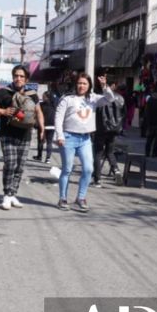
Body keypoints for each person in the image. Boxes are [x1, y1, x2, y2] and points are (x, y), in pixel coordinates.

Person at [0, 65, 44, 210]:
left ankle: (13, 194)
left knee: (20, 167)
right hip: (7, 135)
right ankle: (6, 195)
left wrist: (42, 128)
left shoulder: (32, 94)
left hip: (25, 135)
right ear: (13, 77)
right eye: (16, 76)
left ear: (26, 79)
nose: (18, 78)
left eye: (21, 76)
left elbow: (38, 111)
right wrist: (3, 111)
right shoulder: (4, 92)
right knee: (10, 164)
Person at [55, 73, 113, 212]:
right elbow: (58, 118)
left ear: (89, 85)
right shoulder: (67, 99)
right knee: (67, 169)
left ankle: (80, 198)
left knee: (88, 169)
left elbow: (110, 98)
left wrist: (104, 86)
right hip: (68, 137)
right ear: (76, 84)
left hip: (85, 139)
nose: (82, 86)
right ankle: (62, 199)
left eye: (85, 83)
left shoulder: (93, 98)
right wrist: (60, 136)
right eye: (79, 83)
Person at [92, 79, 125, 186]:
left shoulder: (99, 98)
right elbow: (123, 113)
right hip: (114, 129)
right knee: (110, 152)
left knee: (98, 153)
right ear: (113, 85)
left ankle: (97, 179)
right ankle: (116, 171)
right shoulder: (120, 98)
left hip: (101, 128)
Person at [33, 87, 57, 163]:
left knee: (41, 141)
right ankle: (48, 159)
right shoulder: (54, 105)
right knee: (49, 142)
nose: (42, 97)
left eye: (43, 96)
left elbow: (37, 114)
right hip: (52, 126)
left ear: (47, 97)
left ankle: (39, 156)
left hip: (42, 125)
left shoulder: (41, 105)